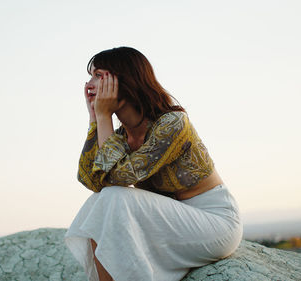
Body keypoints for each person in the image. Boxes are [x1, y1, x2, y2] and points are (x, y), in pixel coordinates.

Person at [65, 47, 242, 281]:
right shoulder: (120, 138)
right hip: (168, 223)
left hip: (214, 222)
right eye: (91, 76)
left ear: (123, 80)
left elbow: (118, 179)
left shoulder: (172, 123)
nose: (89, 84)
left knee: (112, 197)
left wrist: (104, 116)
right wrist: (95, 120)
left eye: (98, 76)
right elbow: (89, 178)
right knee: (100, 201)